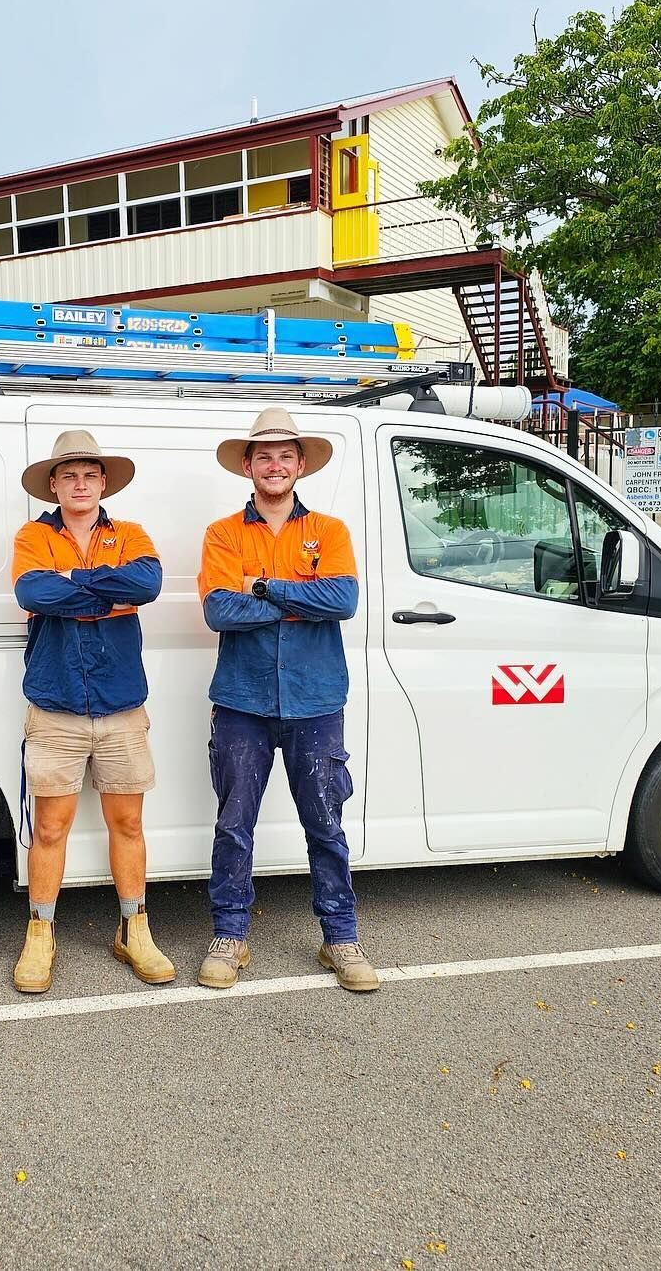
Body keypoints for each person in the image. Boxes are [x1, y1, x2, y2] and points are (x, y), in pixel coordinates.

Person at [195, 407, 378, 993]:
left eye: (285, 455)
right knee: (234, 821)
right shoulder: (222, 533)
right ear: (247, 466)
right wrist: (303, 597)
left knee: (326, 824)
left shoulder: (330, 530)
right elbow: (220, 610)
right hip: (242, 700)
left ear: (301, 466)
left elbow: (344, 598)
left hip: (316, 699)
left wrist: (265, 587)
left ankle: (341, 938)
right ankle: (229, 934)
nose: (275, 465)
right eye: (264, 455)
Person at [9, 430, 175, 994]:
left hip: (121, 702)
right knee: (50, 828)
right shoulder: (32, 535)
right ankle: (40, 934)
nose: (80, 484)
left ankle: (134, 928)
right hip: (55, 704)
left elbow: (148, 583)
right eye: (69, 475)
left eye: (90, 475)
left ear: (104, 483)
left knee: (127, 822)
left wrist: (72, 583)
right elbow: (33, 594)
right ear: (53, 485)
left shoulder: (130, 533)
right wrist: (106, 594)